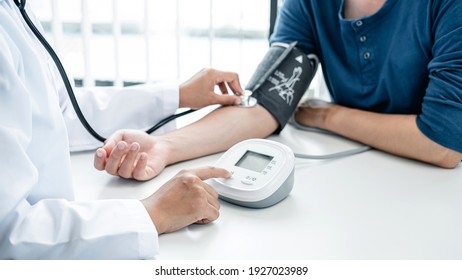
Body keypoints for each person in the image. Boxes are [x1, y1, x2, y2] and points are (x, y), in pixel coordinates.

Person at [94, 0, 462, 183]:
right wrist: (167, 146)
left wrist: (325, 115)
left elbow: (443, 143)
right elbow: (266, 103)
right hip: (360, 179)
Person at [0, 0, 244, 259]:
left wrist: (178, 95)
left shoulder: (14, 10)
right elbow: (9, 233)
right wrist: (153, 212)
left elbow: (58, 111)